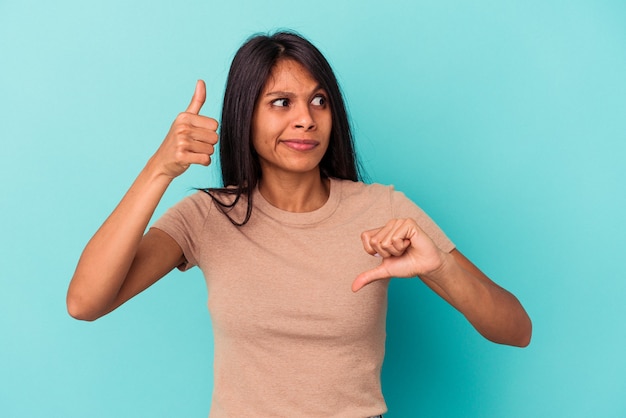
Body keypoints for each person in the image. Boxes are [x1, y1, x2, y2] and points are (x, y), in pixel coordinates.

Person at [67, 31, 531, 417]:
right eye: (282, 102)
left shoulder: (384, 209)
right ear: (244, 115)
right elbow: (85, 302)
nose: (305, 120)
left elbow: (516, 329)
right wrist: (161, 168)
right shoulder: (208, 215)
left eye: (319, 101)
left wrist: (440, 268)